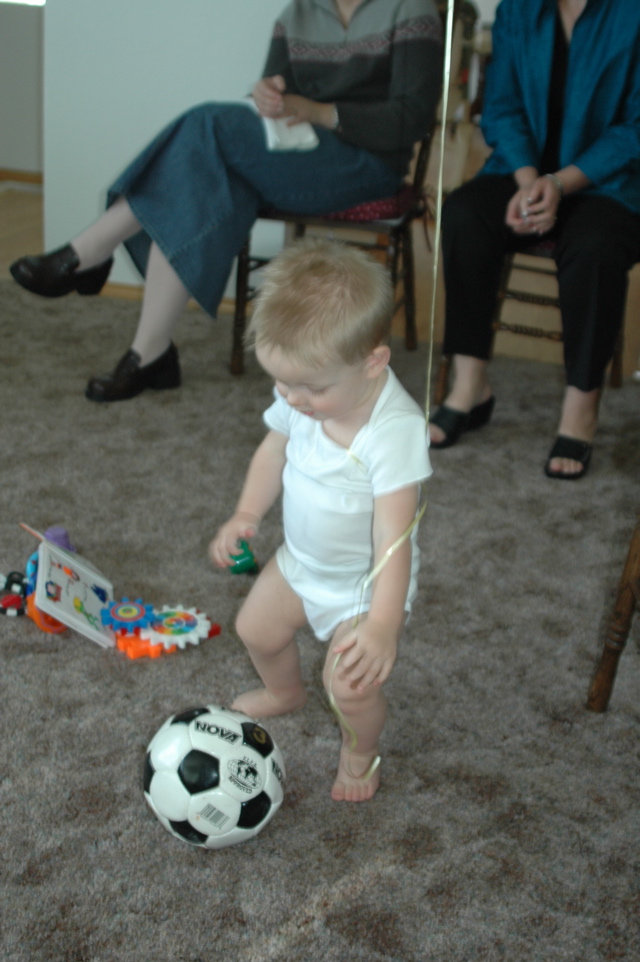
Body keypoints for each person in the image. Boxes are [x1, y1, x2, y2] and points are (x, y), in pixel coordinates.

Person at [10, 0, 443, 403]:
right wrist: (267, 94)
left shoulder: (411, 9)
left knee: (206, 128)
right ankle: (149, 352)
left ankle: (89, 253)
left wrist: (317, 110)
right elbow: (274, 100)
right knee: (199, 179)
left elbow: (413, 116)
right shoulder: (297, 13)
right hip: (298, 156)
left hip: (368, 167)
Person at [209, 239, 431, 802]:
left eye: (311, 388)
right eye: (283, 384)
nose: (294, 399)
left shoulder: (394, 430)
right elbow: (272, 451)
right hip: (300, 562)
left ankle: (361, 752)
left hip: (364, 586)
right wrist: (245, 513)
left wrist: (381, 624)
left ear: (373, 361)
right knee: (254, 629)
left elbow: (394, 538)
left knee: (350, 687)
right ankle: (285, 692)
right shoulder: (301, 391)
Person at [428, 0, 640, 480]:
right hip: (523, 169)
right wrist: (528, 182)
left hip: (611, 182)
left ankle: (580, 408)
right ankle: (469, 386)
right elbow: (500, 108)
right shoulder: (518, 10)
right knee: (464, 214)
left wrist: (561, 184)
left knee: (595, 246)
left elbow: (635, 129)